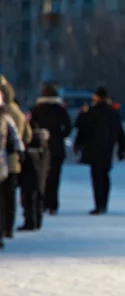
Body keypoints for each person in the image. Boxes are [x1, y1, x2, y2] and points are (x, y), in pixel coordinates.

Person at [74, 86, 125, 215]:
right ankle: (104, 203)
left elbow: (81, 127)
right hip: (108, 147)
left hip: (93, 148)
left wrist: (78, 144)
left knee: (96, 176)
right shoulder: (113, 112)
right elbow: (120, 132)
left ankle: (98, 204)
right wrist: (121, 149)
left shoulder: (92, 111)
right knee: (105, 175)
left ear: (97, 97)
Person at [28, 83, 72, 215]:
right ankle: (53, 204)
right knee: (55, 177)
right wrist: (60, 136)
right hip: (57, 147)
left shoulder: (36, 109)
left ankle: (42, 203)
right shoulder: (60, 109)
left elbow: (30, 126)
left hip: (41, 147)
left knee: (41, 177)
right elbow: (68, 127)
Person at [0, 75, 31, 237]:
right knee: (9, 197)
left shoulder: (4, 113)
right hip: (12, 162)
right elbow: (26, 137)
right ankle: (8, 227)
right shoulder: (17, 112)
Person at [18, 121, 49, 231]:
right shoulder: (44, 146)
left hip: (28, 176)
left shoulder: (29, 146)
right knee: (39, 198)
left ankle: (30, 222)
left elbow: (23, 160)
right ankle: (38, 221)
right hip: (41, 176)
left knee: (28, 199)